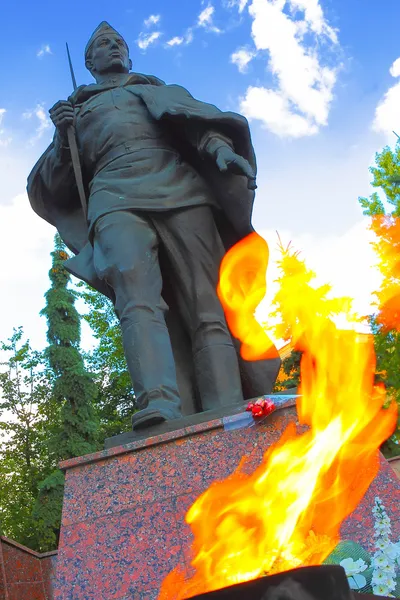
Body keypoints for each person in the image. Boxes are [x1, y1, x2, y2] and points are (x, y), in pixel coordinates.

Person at [27, 21, 281, 430]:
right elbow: (57, 183)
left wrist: (220, 151)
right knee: (134, 290)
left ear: (129, 55)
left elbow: (197, 127)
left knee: (206, 298)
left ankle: (226, 400)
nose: (112, 48)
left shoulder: (157, 89)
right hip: (112, 196)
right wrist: (62, 136)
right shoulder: (75, 111)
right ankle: (159, 403)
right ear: (90, 62)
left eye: (118, 43)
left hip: (182, 188)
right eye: (103, 45)